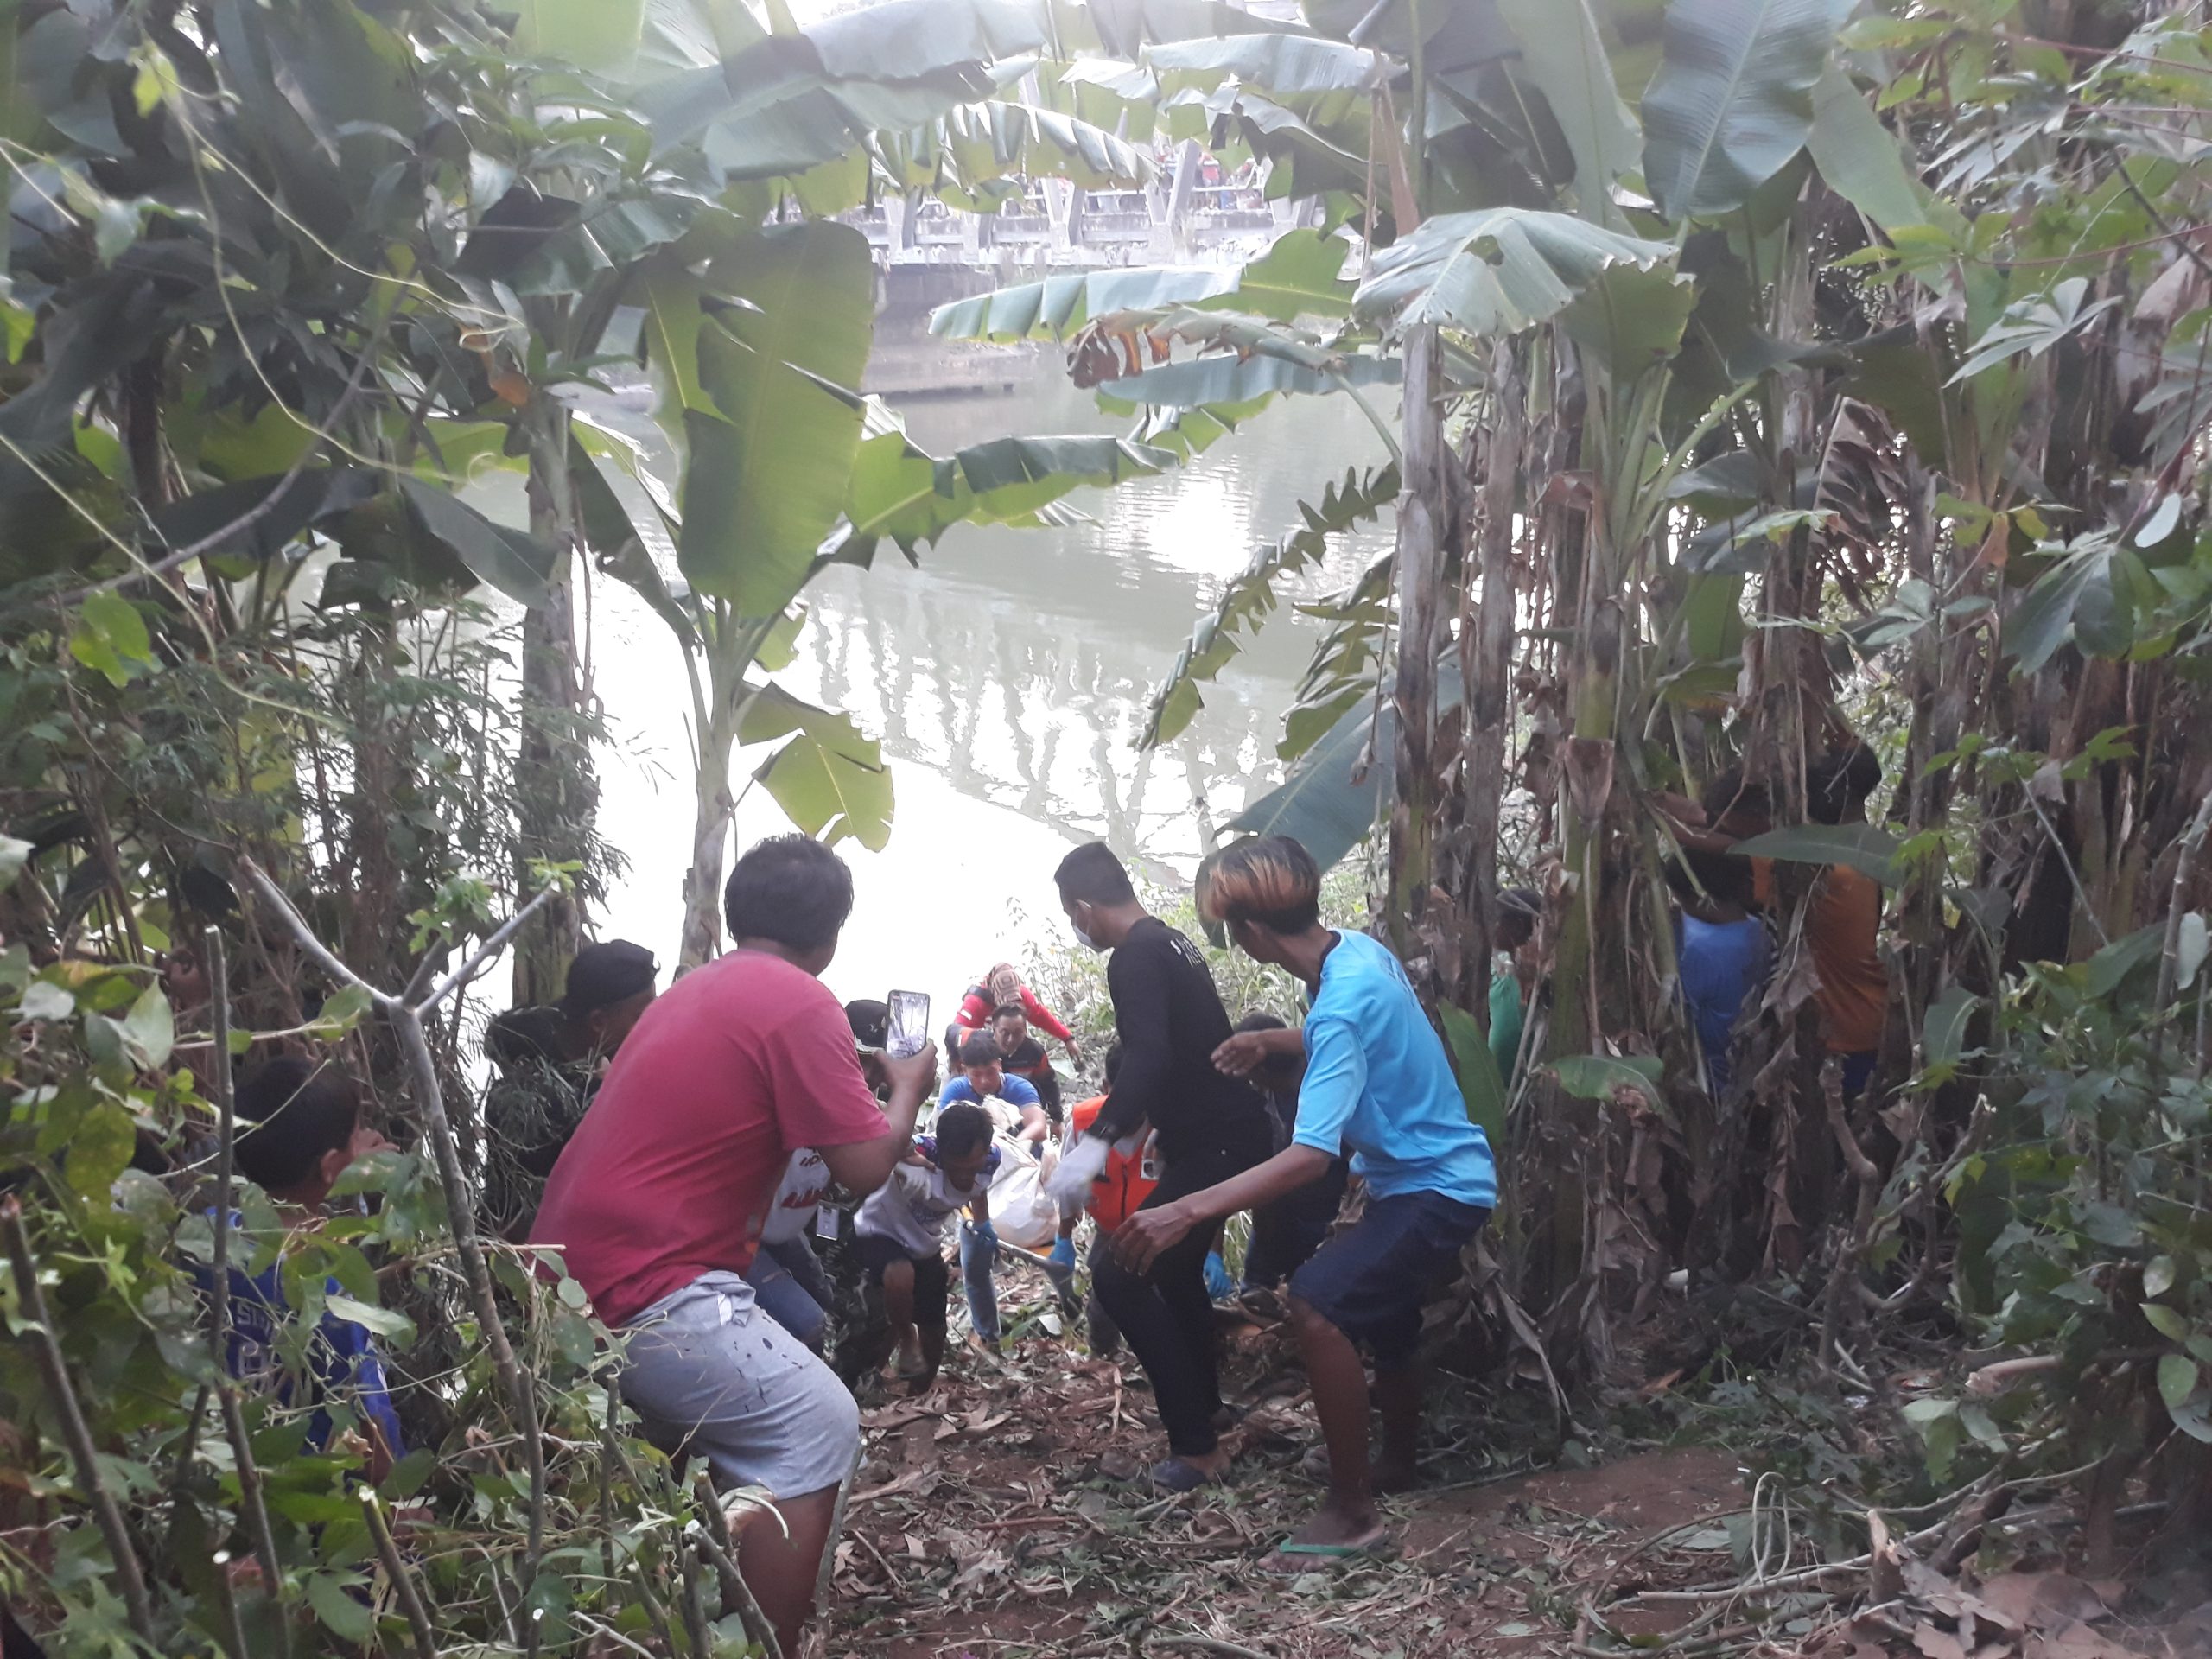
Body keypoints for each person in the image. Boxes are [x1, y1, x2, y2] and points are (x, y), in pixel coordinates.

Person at [529, 836, 938, 1657]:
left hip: (564, 1271)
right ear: (830, 937)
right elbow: (861, 1168)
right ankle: (761, 1645)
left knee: (755, 1413)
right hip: (642, 1281)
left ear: (732, 916)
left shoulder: (693, 988)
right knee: (821, 1426)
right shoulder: (800, 1001)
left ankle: (706, 1601)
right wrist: (905, 1090)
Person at [1116, 836, 1495, 1567]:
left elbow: (1308, 1157)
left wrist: (1185, 1210)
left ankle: (1353, 1514)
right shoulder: (1356, 951)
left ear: (1252, 935)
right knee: (1384, 1309)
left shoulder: (1339, 1006)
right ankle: (1398, 1464)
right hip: (1423, 1177)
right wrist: (1283, 1041)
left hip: (1437, 1186)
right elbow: (1364, 1029)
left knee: (1318, 1301)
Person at [1050, 842, 1273, 1491]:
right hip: (1229, 1134)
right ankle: (1209, 1411)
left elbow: (1146, 1056)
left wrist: (1100, 1141)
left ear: (1085, 908)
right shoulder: (1172, 941)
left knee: (1120, 1276)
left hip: (1218, 1145)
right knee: (1174, 1277)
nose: (1076, 928)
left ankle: (1196, 1447)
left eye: (1072, 916)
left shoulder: (1134, 956)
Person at [197, 1057, 404, 1481]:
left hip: (232, 1474)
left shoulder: (206, 1236)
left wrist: (347, 1175)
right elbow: (370, 1436)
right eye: (354, 1137)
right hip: (320, 1495)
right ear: (330, 1165)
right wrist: (401, 1505)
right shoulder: (328, 1290)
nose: (364, 1140)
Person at [480, 940, 658, 1240]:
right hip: (527, 1255)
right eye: (641, 1015)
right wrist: (606, 1092)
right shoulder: (533, 1099)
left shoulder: (586, 1036)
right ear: (598, 1022)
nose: (652, 1024)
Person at [851, 1102, 999, 1390]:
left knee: (935, 1329)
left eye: (973, 1168)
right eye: (957, 1169)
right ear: (941, 1154)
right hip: (879, 1229)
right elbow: (875, 1117)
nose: (965, 1177)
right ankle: (904, 1342)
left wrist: (982, 1224)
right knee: (899, 1275)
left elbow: (978, 1190)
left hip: (925, 1243)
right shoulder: (917, 1156)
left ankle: (918, 1394)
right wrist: (903, 1153)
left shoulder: (991, 1161)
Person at [1213, 1013, 1348, 1298]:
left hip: (1326, 1216)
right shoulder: (1262, 1096)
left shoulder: (1325, 1088)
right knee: (1256, 1293)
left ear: (1259, 1072)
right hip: (1276, 1214)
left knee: (1313, 1296)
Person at [938, 1033, 1050, 1345]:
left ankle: (1067, 1304)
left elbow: (1037, 1125)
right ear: (963, 1070)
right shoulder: (957, 1090)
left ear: (999, 1065)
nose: (985, 1081)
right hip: (975, 1186)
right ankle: (988, 1334)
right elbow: (942, 1132)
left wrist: (1014, 1143)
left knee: (1047, 1248)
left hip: (1020, 1184)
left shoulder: (1018, 1087)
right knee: (974, 1264)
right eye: (976, 1074)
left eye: (990, 1072)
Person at [1057, 1043, 1154, 1354]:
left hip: (1160, 1234)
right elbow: (1069, 1184)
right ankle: (1103, 1359)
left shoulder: (1168, 1126)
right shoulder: (1083, 1125)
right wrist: (1063, 1239)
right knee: (1102, 1300)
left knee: (1159, 1304)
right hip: (1110, 1231)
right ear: (1106, 1087)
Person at [1805, 745, 1888, 1096]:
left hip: (1843, 1033)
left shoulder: (1825, 871)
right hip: (1866, 1017)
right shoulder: (1869, 848)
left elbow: (1733, 857)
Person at [1665, 847, 1770, 1097]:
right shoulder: (1757, 929)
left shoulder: (1702, 953)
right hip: (1745, 1070)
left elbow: (1672, 1012)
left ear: (1699, 898)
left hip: (1710, 1086)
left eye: (1680, 900)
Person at [745, 1149, 837, 1351]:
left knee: (824, 1294)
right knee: (808, 1322)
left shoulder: (840, 1135)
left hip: (782, 1229)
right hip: (740, 1236)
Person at [951, 962, 1082, 1065]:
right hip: (978, 1051)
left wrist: (1068, 1038)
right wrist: (956, 1061)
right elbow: (955, 1033)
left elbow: (1042, 1017)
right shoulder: (976, 1002)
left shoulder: (1024, 995)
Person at [1486, 889, 1540, 1085]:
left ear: (1516, 927)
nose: (1490, 926)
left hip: (1499, 1091)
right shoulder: (1545, 975)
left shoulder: (1501, 972)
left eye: (1495, 919)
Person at [989, 1002, 1064, 1121]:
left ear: (1025, 1030)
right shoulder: (983, 1049)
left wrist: (1057, 1119)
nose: (1011, 1040)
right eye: (1005, 1033)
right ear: (994, 1028)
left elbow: (1049, 1084)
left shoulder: (1034, 1052)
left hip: (1026, 1108)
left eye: (1017, 1033)